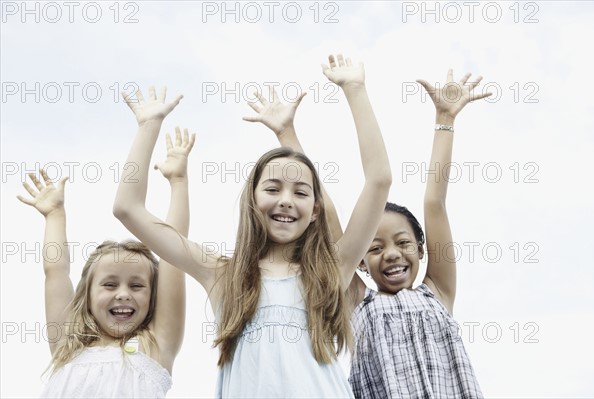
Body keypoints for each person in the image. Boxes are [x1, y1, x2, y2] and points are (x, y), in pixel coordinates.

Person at [113, 54, 391, 397]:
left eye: (300, 192)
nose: (286, 200)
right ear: (252, 200)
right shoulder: (221, 274)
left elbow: (379, 180)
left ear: (315, 210)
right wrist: (148, 126)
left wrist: (355, 89)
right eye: (273, 188)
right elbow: (127, 208)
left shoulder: (332, 269)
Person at [18, 128, 194, 398]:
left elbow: (175, 254)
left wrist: (179, 181)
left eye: (137, 286)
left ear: (153, 297)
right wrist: (54, 216)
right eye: (110, 284)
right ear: (86, 296)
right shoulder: (68, 347)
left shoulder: (156, 346)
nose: (123, 294)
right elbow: (55, 271)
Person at [346, 70, 490, 398]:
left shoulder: (437, 292)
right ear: (360, 262)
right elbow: (322, 217)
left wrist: (445, 120)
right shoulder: (356, 303)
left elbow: (434, 202)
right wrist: (288, 135)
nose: (392, 254)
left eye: (402, 242)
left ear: (421, 248)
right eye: (375, 248)